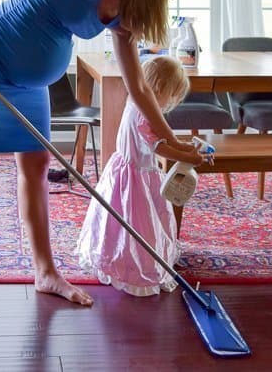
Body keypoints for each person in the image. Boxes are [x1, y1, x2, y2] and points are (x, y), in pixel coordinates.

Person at [0, 0, 203, 311]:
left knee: (37, 165)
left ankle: (45, 272)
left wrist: (172, 140)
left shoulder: (126, 18)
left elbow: (138, 85)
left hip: (31, 83)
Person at [76, 56, 203, 297]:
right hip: (139, 176)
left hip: (123, 168)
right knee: (141, 221)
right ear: (159, 88)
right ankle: (138, 267)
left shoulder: (136, 101)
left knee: (119, 219)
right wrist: (186, 156)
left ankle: (118, 257)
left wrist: (182, 147)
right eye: (170, 95)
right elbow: (158, 147)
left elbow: (163, 138)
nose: (169, 103)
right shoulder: (146, 113)